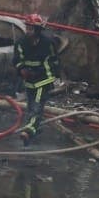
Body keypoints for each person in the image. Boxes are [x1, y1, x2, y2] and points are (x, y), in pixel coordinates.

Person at [13, 13, 62, 145]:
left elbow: (54, 60)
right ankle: (36, 129)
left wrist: (53, 75)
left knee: (37, 106)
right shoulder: (20, 43)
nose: (28, 31)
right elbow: (17, 60)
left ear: (38, 30)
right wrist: (22, 70)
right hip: (29, 81)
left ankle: (28, 131)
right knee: (30, 107)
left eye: (31, 28)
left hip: (44, 79)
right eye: (27, 28)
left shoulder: (48, 43)